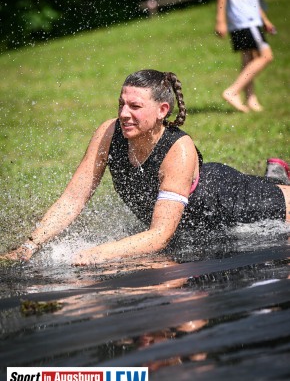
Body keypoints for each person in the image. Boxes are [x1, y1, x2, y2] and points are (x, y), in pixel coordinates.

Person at [1, 69, 289, 266]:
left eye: (135, 107)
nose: (124, 114)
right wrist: (29, 246)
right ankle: (276, 173)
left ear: (163, 110)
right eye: (121, 104)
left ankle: (278, 181)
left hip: (227, 199)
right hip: (191, 218)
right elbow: (73, 198)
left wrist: (98, 253)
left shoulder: (179, 150)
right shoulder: (109, 133)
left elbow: (159, 235)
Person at [215, 0, 276, 113]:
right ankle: (233, 91)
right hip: (245, 20)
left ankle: (251, 99)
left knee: (248, 58)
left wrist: (264, 20)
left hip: (247, 20)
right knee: (266, 56)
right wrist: (220, 19)